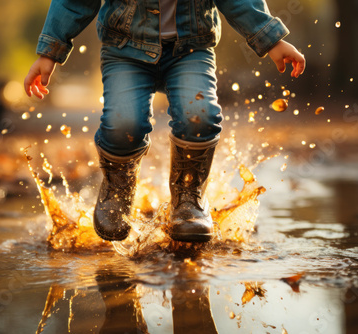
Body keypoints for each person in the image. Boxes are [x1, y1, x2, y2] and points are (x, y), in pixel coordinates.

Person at [24, 0, 305, 243]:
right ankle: (118, 187)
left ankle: (189, 195)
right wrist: (50, 51)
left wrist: (272, 39)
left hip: (191, 49)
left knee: (201, 116)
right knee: (124, 124)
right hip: (125, 50)